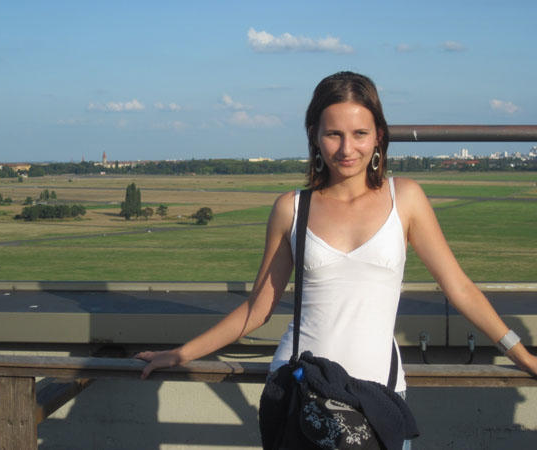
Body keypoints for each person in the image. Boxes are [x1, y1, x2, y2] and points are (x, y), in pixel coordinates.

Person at [135, 72, 537, 445]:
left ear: (379, 136)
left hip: (378, 396)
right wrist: (181, 354)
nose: (347, 149)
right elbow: (257, 309)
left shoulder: (406, 198)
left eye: (360, 133)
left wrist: (519, 354)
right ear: (314, 135)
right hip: (302, 394)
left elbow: (459, 288)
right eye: (333, 134)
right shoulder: (292, 208)